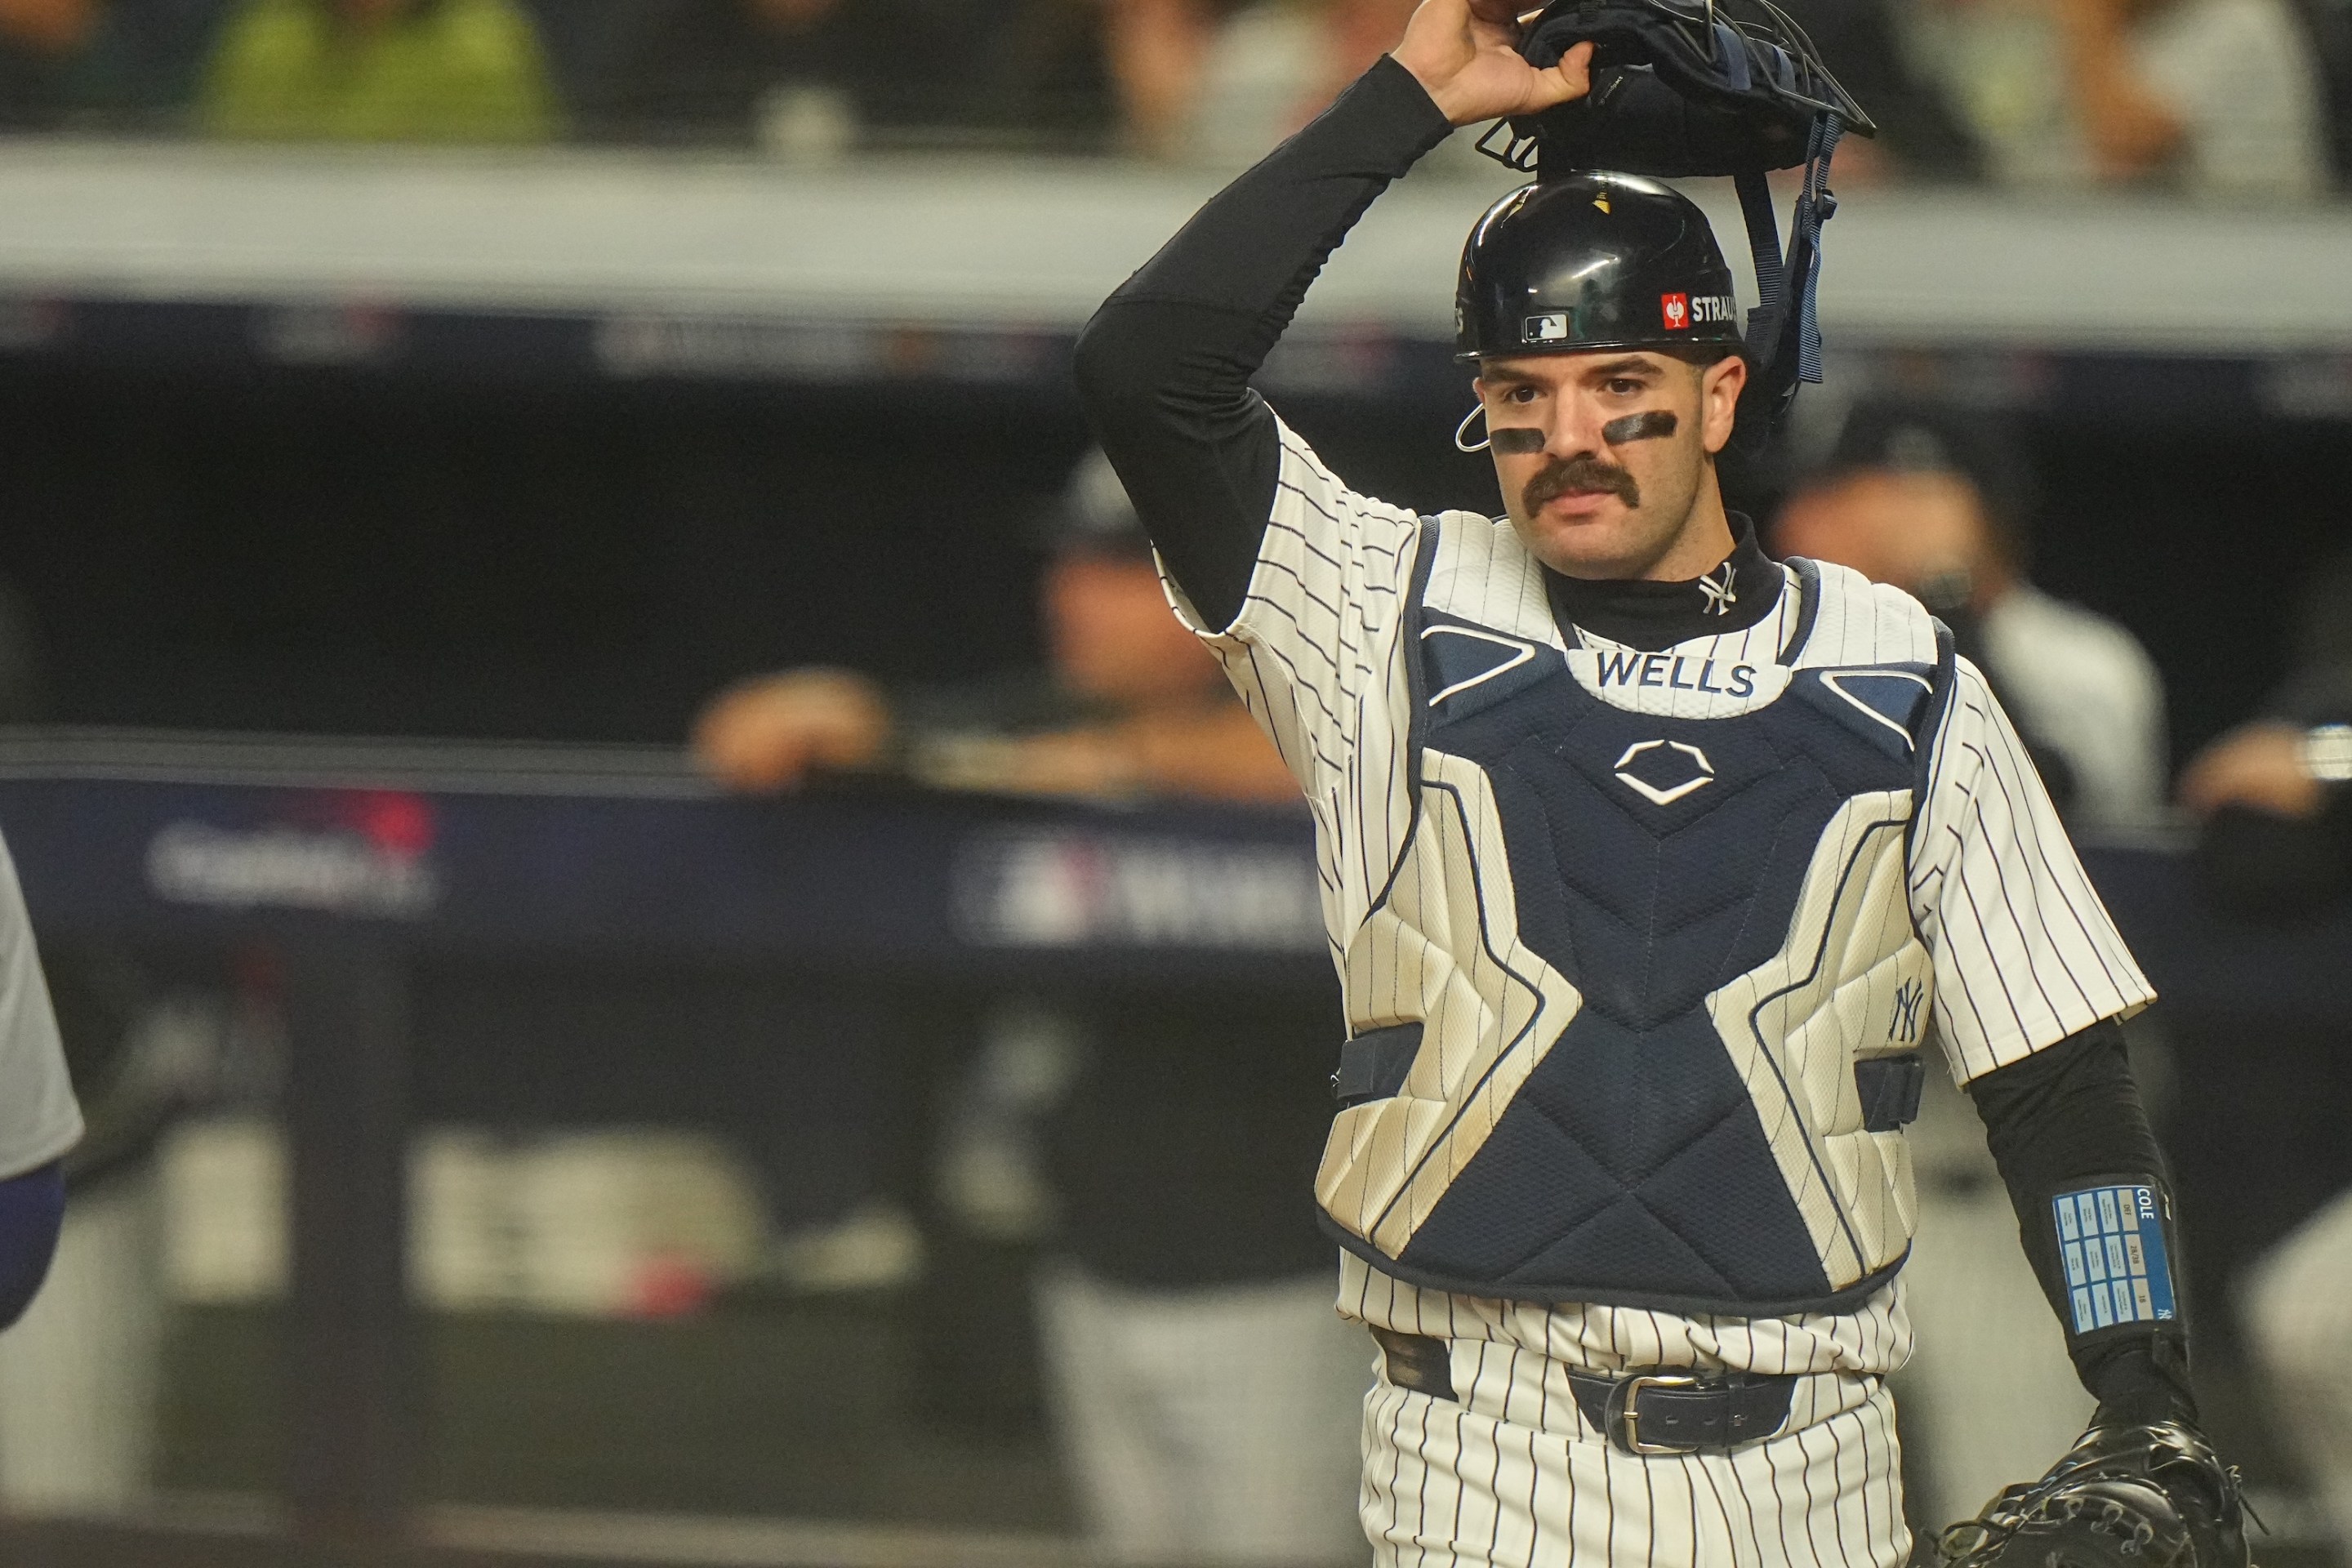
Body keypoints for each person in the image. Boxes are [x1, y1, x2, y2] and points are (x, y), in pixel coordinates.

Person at [1071, 2, 2238, 1561]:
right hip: (1477, 1459)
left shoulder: (1894, 667)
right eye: (1522, 392)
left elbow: (2060, 1084)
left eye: (1619, 381)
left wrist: (2143, 1387)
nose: (1569, 435)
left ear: (1719, 394)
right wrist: (1410, 96)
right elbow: (1151, 368)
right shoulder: (1376, 606)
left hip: (1810, 1468)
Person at [693, 452, 1365, 1565]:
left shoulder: (1345, 718)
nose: (1070, 595)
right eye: (1072, 564)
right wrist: (841, 715)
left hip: (1285, 1297)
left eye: (1119, 571)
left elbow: (1340, 757)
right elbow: (797, 734)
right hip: (1096, 1283)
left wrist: (1111, 764)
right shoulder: (1043, 722)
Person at [1773, 402, 2168, 831]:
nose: (1797, 520)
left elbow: (2051, 816)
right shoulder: (1775, 643)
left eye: (1833, 497)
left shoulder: (2082, 662)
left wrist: (1943, 592)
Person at [197, 0, 558, 142]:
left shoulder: (483, 41)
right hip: (291, 265)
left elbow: (510, 191)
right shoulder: (269, 35)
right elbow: (232, 180)